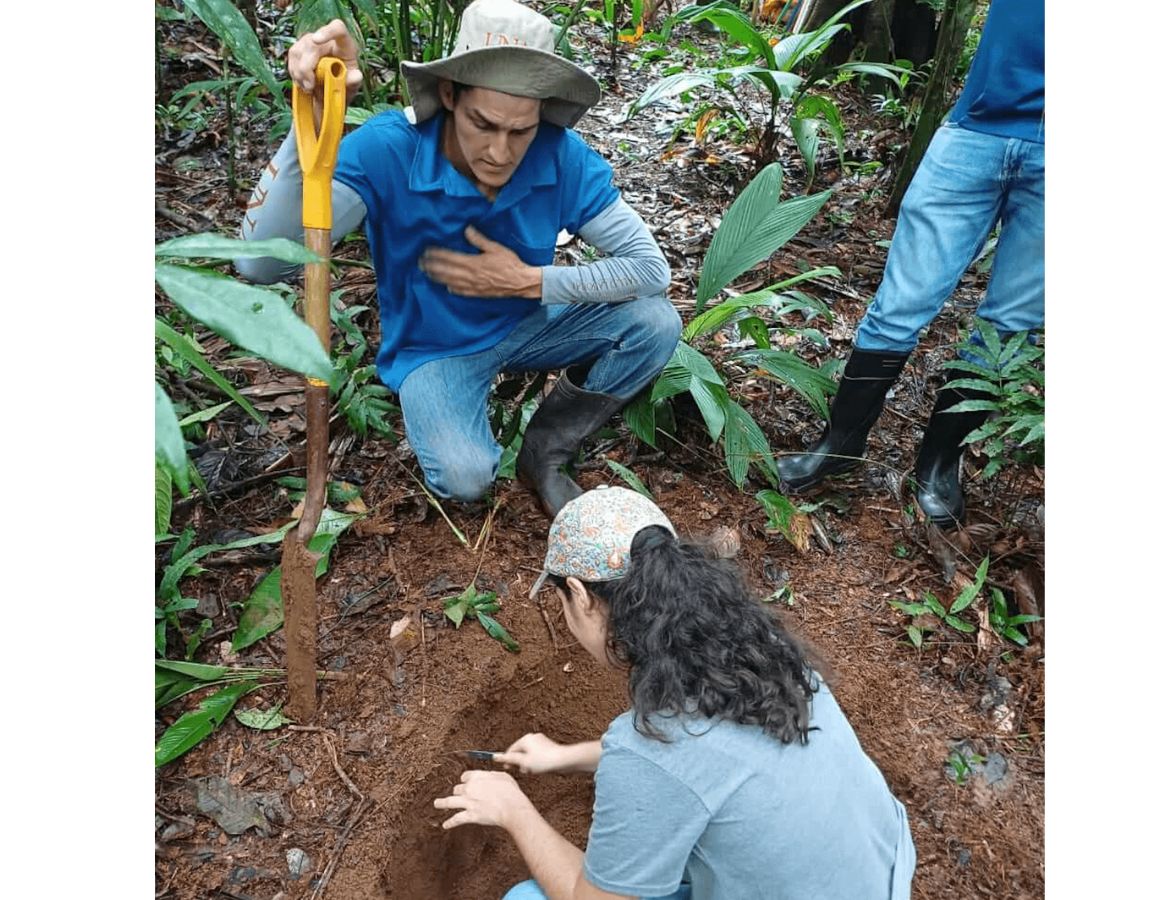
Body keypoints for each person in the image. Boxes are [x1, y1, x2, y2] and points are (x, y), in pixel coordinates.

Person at [235, 0, 681, 517]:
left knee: (654, 322)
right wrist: (308, 121)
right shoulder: (389, 150)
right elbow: (262, 264)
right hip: (435, 346)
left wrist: (531, 282)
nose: (499, 151)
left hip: (531, 319)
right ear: (448, 94)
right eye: (482, 124)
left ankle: (546, 452)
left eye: (521, 131)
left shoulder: (560, 154)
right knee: (464, 477)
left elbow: (651, 270)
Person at [433, 486, 916, 899]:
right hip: (879, 872)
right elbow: (706, 764)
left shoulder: (651, 747)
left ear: (580, 595)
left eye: (561, 599)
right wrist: (564, 757)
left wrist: (514, 811)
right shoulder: (760, 649)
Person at [776, 0, 1045, 529]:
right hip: (977, 128)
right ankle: (840, 445)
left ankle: (940, 465)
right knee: (898, 305)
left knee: (1009, 324)